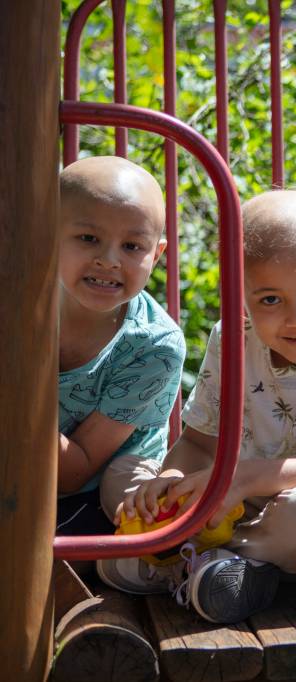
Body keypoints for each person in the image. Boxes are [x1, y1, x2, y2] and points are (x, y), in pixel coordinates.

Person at [97, 190, 296, 624]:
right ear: (240, 295)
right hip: (250, 506)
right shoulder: (232, 334)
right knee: (125, 473)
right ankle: (217, 565)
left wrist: (247, 477)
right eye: (271, 299)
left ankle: (185, 560)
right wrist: (171, 482)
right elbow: (198, 442)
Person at [56, 156, 185, 538]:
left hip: (96, 494)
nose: (109, 260)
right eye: (89, 238)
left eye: (132, 246)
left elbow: (75, 472)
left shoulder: (154, 346)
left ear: (156, 255)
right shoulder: (18, 300)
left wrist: (17, 390)